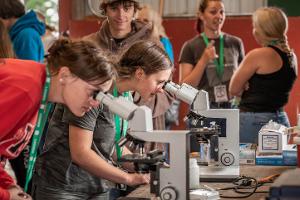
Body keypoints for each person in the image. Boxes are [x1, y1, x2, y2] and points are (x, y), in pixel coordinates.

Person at [32, 40, 173, 200]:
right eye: (159, 82)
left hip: (97, 186)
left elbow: (112, 147)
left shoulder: (125, 96)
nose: (161, 90)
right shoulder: (95, 91)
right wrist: (128, 178)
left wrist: (148, 166)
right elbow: (80, 152)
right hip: (64, 187)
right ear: (139, 73)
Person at [0, 38, 116, 200]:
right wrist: (6, 195)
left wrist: (7, 184)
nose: (96, 104)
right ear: (65, 75)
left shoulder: (39, 88)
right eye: (94, 93)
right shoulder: (26, 89)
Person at [83, 0, 173, 131]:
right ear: (105, 9)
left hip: (144, 130)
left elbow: (167, 91)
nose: (121, 14)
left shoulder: (152, 42)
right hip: (101, 133)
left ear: (135, 10)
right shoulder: (90, 44)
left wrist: (134, 92)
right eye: (114, 8)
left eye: (127, 8)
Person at [229, 7, 297, 144]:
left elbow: (233, 89)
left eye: (255, 26)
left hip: (254, 121)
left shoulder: (258, 55)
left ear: (261, 31)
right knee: (276, 164)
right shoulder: (291, 56)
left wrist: (246, 83)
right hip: (281, 119)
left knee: (248, 164)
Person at [179, 0, 245, 109]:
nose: (219, 16)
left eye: (222, 12)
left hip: (232, 105)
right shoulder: (190, 46)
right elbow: (184, 87)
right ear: (201, 15)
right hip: (202, 107)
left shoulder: (236, 43)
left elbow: (243, 78)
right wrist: (203, 61)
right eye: (213, 12)